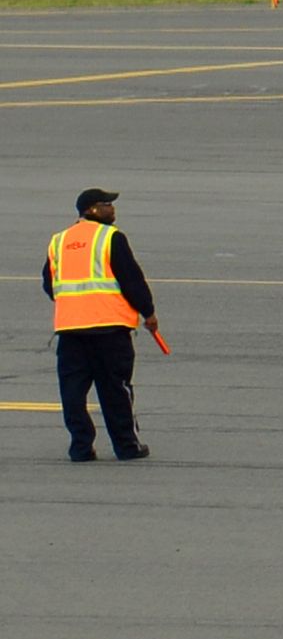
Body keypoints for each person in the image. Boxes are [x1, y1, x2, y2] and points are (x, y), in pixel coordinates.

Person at [45, 187, 155, 464]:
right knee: (115, 389)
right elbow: (131, 279)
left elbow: (50, 284)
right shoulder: (110, 237)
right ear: (91, 209)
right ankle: (127, 446)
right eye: (107, 204)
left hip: (71, 331)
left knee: (72, 392)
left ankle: (80, 448)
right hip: (109, 329)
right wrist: (148, 312)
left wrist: (74, 306)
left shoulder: (59, 240)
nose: (112, 208)